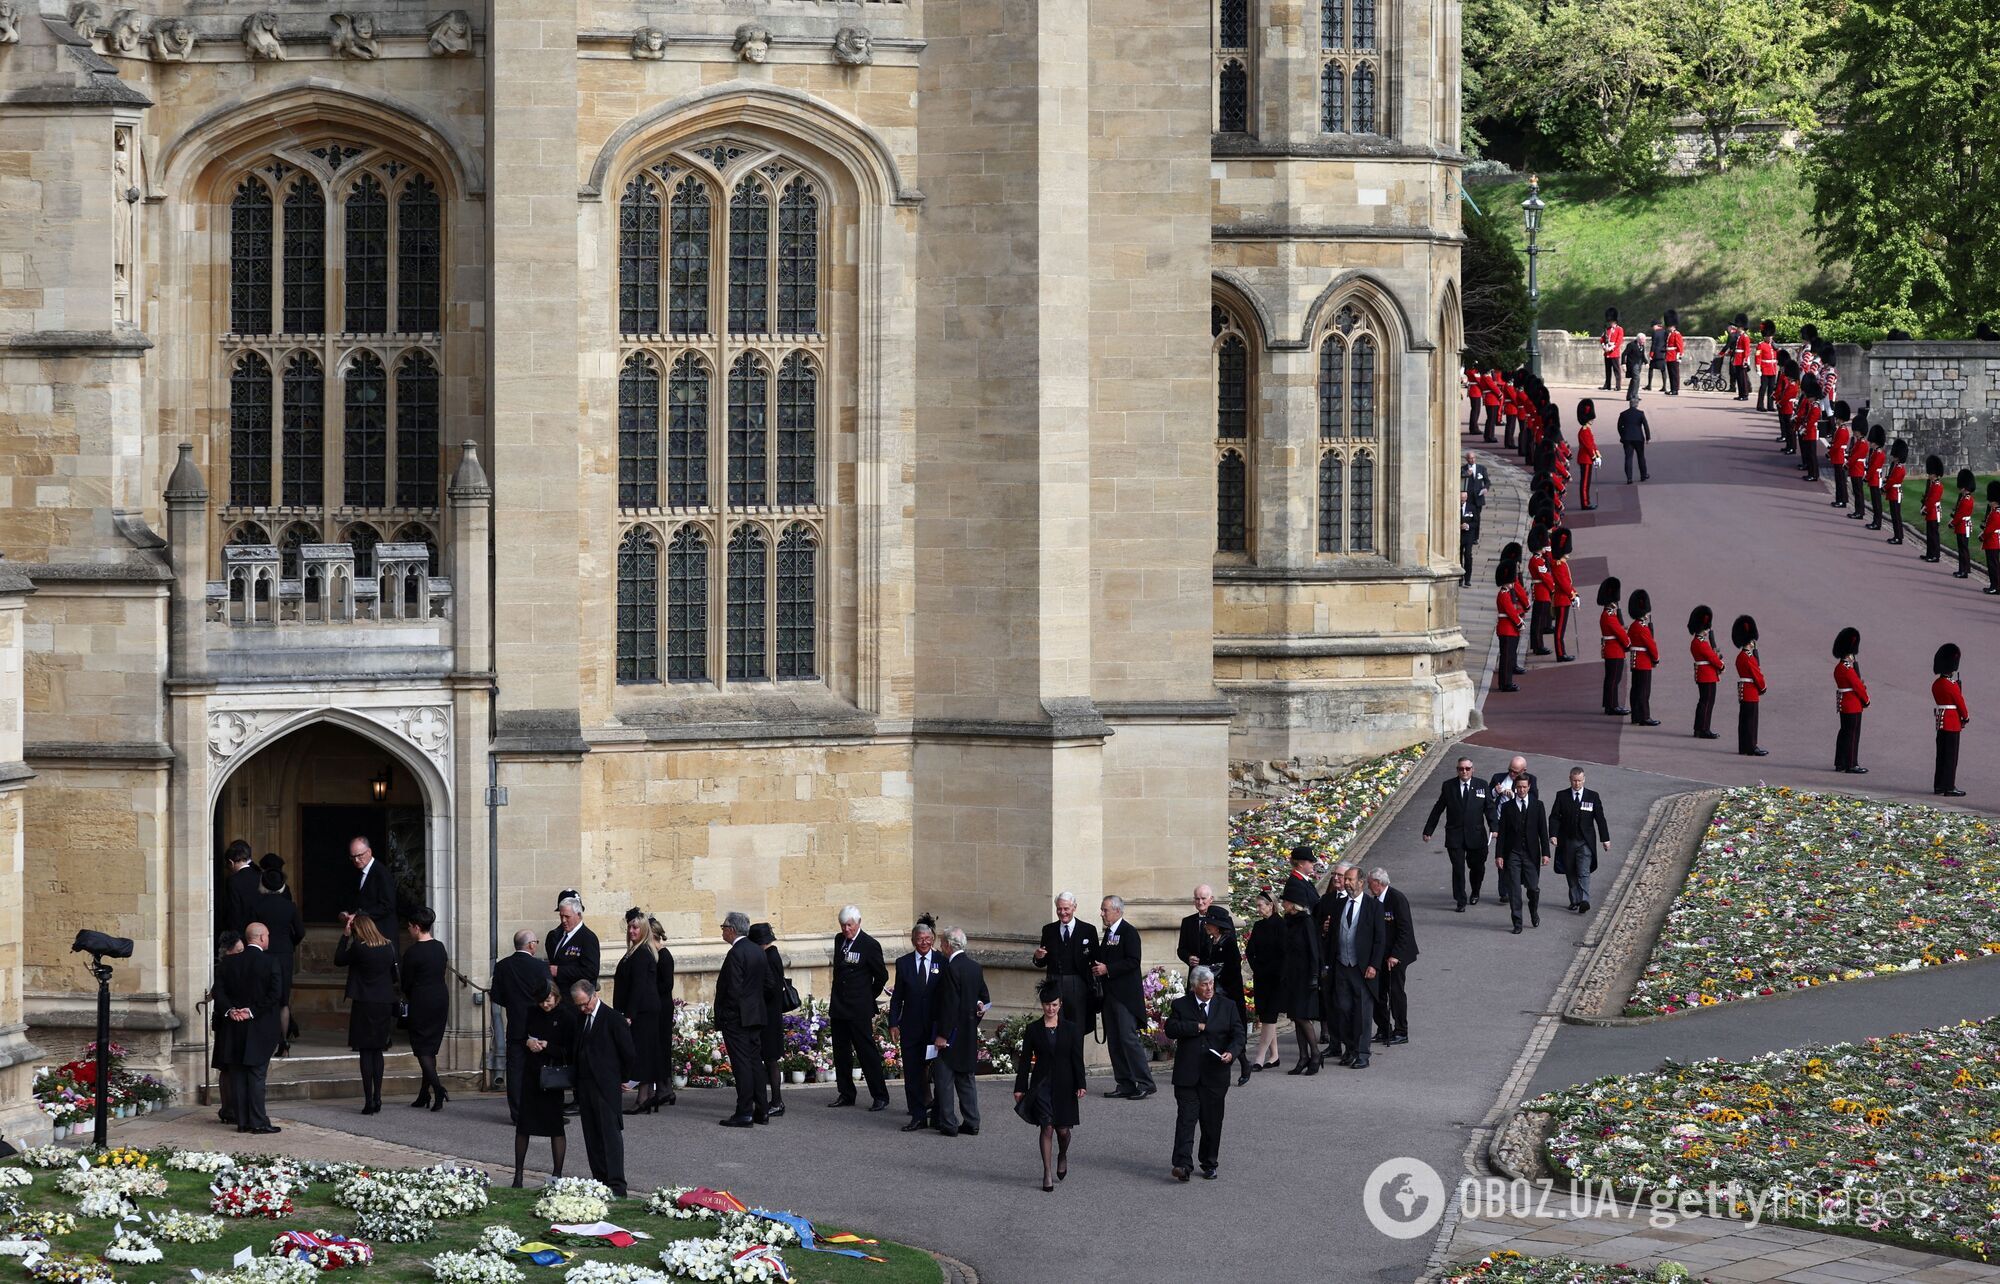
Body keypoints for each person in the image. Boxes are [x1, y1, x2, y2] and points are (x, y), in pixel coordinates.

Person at [1165, 965, 1243, 1182]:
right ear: (1194, 987)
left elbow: (1238, 1035)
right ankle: (1182, 1164)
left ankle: (1209, 1162)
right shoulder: (1180, 1005)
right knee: (1186, 1120)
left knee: (1211, 1122)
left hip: (1215, 1074)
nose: (1209, 988)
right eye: (1204, 984)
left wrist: (1231, 1053)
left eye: (1211, 984)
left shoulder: (1227, 1006)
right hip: (1187, 1074)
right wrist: (1196, 1027)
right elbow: (1171, 1029)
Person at [1013, 981, 1086, 1192]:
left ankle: (1062, 1155)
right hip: (1042, 1084)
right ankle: (1046, 1172)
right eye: (1046, 1004)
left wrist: (1081, 1083)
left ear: (1060, 1004)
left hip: (1065, 1084)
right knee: (1047, 1126)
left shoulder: (1071, 1029)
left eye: (1054, 1004)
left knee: (1062, 1131)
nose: (1050, 1008)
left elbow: (1076, 1058)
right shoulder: (1033, 1029)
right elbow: (1025, 1061)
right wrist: (1020, 1088)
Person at [568, 979, 635, 1197]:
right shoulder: (580, 1019)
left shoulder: (613, 1019)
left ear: (593, 996)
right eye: (578, 1005)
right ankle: (599, 1181)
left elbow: (628, 1052)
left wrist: (624, 1078)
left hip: (606, 1085)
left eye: (584, 1003)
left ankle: (617, 1185)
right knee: (592, 1136)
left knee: (609, 1136)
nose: (582, 1008)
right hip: (585, 1084)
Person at [218, 922, 284, 1135]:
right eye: (267, 935)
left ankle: (243, 1121)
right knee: (256, 1075)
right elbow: (275, 995)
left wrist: (231, 1011)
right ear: (262, 937)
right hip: (260, 1027)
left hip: (234, 1025)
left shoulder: (229, 963)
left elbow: (218, 992)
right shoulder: (271, 961)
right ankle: (257, 1121)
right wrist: (251, 1011)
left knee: (237, 1074)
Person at [827, 905, 890, 1111]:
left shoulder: (869, 944)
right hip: (839, 1006)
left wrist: (867, 996)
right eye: (843, 925)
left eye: (850, 925)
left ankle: (879, 1095)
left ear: (859, 923)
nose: (846, 929)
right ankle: (846, 1092)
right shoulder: (839, 940)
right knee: (841, 1052)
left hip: (859, 1008)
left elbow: (881, 976)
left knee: (866, 1052)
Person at [334, 913, 397, 1115]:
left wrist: (344, 936)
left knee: (365, 1052)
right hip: (384, 1002)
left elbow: (339, 960)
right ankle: (378, 1097)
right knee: (378, 1051)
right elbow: (394, 975)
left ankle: (369, 1100)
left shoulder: (359, 948)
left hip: (364, 1002)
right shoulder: (388, 946)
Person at [514, 981, 575, 1187]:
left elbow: (569, 1049)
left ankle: (557, 1174)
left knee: (555, 1127)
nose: (545, 1005)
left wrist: (548, 1046)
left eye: (548, 1000)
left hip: (552, 1075)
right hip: (532, 1073)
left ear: (556, 996)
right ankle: (518, 1174)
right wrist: (528, 1042)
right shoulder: (533, 1012)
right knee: (524, 1126)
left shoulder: (566, 1015)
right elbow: (519, 1036)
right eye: (541, 1002)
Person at [1095, 895, 1154, 1101]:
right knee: (1114, 1041)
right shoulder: (1109, 933)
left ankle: (1145, 1082)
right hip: (1109, 995)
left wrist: (1107, 969)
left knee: (1129, 1040)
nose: (1102, 913)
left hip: (1125, 997)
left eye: (1105, 910)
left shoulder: (1128, 932)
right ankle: (1125, 1082)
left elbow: (1133, 961)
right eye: (1102, 910)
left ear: (1117, 910)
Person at [713, 911, 770, 1128]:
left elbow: (733, 989)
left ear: (732, 929)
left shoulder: (736, 953)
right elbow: (768, 984)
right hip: (755, 1015)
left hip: (737, 1018)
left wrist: (727, 1015)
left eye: (724, 927)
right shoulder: (757, 951)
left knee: (742, 1064)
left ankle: (745, 1111)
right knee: (754, 1062)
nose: (723, 930)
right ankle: (761, 1109)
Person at [930, 925, 987, 1136]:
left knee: (944, 1079)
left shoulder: (951, 969)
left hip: (951, 1034)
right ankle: (972, 1121)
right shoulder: (975, 967)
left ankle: (948, 1123)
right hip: (969, 1032)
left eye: (942, 944)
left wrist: (942, 1034)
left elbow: (949, 1004)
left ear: (947, 946)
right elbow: (985, 999)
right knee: (966, 1078)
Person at [887, 919, 943, 1131]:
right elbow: (897, 997)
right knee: (912, 1073)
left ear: (933, 940)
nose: (924, 942)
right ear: (913, 941)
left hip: (935, 1028)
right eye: (920, 939)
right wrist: (893, 1023)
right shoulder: (904, 963)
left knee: (938, 1073)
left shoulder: (942, 961)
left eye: (928, 939)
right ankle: (918, 1115)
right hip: (910, 1028)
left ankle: (938, 1114)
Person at [1327, 866, 1383, 1069]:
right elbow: (1333, 935)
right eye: (1346, 880)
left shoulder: (1373, 907)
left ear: (1361, 882)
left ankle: (1362, 1053)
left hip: (1362, 968)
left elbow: (1379, 939)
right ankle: (1349, 1049)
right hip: (1342, 965)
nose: (1347, 883)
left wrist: (1374, 965)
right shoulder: (1339, 904)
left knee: (1362, 1012)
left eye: (1350, 879)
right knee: (1343, 1009)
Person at [491, 930, 546, 1127]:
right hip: (537, 1025)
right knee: (538, 1068)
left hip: (515, 1023)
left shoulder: (503, 966)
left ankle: (518, 1113)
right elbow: (548, 995)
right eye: (536, 942)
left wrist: (514, 1005)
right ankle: (540, 1111)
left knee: (515, 1070)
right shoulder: (540, 966)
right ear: (531, 945)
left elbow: (496, 996)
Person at [614, 907, 665, 1115]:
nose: (631, 931)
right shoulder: (634, 952)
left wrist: (629, 1015)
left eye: (635, 928)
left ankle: (644, 1097)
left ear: (643, 930)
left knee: (642, 1053)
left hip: (643, 1012)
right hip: (640, 1010)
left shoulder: (642, 954)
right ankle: (644, 1096)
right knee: (642, 1052)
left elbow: (638, 987)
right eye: (629, 927)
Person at [1423, 755, 1491, 911]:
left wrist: (1494, 828)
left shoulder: (1482, 785)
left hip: (1476, 835)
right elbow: (1438, 808)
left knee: (1477, 867)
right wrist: (1428, 830)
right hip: (1455, 836)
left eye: (1467, 769)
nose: (1464, 772)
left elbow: (1489, 808)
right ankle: (1460, 900)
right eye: (1461, 769)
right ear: (1457, 770)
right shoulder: (1449, 786)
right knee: (1458, 868)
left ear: (1472, 770)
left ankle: (1475, 891)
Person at [251, 859, 303, 1056]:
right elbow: (300, 931)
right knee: (283, 1000)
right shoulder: (290, 907)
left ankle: (264, 1040)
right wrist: (289, 943)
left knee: (263, 997)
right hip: (284, 954)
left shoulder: (257, 905)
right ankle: (283, 1041)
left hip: (262, 953)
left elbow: (250, 929)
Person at [401, 905, 450, 1111]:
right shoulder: (439, 947)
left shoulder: (413, 952)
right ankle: (424, 1094)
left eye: (410, 927)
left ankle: (438, 1089)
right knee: (429, 1050)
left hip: (422, 1000)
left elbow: (406, 983)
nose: (408, 930)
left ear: (417, 927)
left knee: (422, 1049)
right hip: (440, 998)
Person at [1492, 773, 1550, 934]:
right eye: (1519, 787)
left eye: (1524, 787)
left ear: (1529, 787)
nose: (1522, 790)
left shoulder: (1538, 806)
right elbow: (1502, 833)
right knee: (1514, 890)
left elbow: (1542, 832)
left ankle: (1533, 911)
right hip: (1513, 853)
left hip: (1531, 854)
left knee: (1533, 888)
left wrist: (1546, 853)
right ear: (1515, 788)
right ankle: (1517, 923)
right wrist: (1499, 855)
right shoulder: (1507, 807)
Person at [1548, 768, 1610, 914]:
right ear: (1570, 779)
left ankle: (1584, 900)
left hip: (1585, 842)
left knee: (1583, 871)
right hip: (1567, 841)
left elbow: (1600, 819)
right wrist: (1553, 834)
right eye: (1575, 780)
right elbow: (1555, 817)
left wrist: (1605, 839)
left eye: (1580, 780)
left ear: (1584, 779)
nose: (1577, 783)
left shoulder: (1592, 796)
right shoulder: (1562, 796)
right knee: (1570, 871)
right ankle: (1575, 900)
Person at [1366, 868, 1417, 1046]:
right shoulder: (1376, 900)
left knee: (1395, 992)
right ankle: (1383, 1028)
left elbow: (1405, 930)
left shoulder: (1396, 899)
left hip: (1397, 955)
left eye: (1369, 883)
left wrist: (1395, 955)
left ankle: (1401, 1030)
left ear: (1378, 883)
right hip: (1381, 955)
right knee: (1378, 993)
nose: (1368, 886)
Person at [1030, 893, 1097, 1026]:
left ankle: (1076, 1048)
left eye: (1066, 909)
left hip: (1078, 984)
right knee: (1055, 1023)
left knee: (1077, 1025)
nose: (1062, 912)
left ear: (1074, 908)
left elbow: (1096, 959)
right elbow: (1042, 961)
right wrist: (1038, 957)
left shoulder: (1088, 930)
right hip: (1055, 982)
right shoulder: (1048, 930)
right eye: (1059, 909)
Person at [746, 922, 789, 1118]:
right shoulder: (772, 955)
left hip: (768, 1016)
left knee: (770, 1059)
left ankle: (776, 1101)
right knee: (769, 1059)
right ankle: (770, 1099)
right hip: (770, 1014)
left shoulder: (769, 956)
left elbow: (771, 987)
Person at [1278, 883, 1322, 1073]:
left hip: (1305, 976)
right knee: (1295, 1016)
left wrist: (1315, 975)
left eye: (1286, 901)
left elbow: (1314, 950)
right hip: (1292, 976)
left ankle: (1315, 1054)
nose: (1283, 904)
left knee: (1303, 1017)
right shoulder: (1289, 920)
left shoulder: (1306, 921)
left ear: (1294, 903)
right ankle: (1303, 1056)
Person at [1485, 756, 1539, 908]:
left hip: (1520, 826)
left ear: (1524, 771)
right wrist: (1495, 792)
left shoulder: (1531, 780)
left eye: (1515, 772)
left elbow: (1534, 800)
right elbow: (1487, 799)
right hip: (1502, 824)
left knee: (1519, 859)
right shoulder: (1498, 777)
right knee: (1502, 856)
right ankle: (1504, 892)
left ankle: (1518, 886)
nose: (1512, 774)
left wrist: (1514, 795)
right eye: (1510, 770)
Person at [1242, 892, 1284, 1073]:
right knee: (1265, 1016)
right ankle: (1274, 1055)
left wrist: (1271, 970)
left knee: (1270, 1017)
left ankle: (1259, 1056)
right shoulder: (1259, 926)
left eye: (1260, 905)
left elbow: (1283, 953)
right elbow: (1250, 951)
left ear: (1270, 906)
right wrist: (1257, 967)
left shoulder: (1281, 925)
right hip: (1261, 975)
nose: (1258, 909)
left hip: (1276, 977)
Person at [211, 932, 244, 1126]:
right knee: (226, 1065)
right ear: (229, 951)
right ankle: (228, 1108)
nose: (242, 953)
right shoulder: (222, 968)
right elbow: (218, 992)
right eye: (239, 950)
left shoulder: (241, 967)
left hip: (238, 1020)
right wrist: (231, 1010)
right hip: (226, 1021)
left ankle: (235, 1108)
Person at [1932, 643, 1970, 797]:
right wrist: (1965, 717)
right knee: (1951, 757)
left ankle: (1939, 785)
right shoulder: (1951, 686)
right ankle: (1949, 786)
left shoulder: (1936, 684)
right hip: (1952, 722)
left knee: (1941, 755)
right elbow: (1960, 703)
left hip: (1941, 721)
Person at [545, 893, 600, 996]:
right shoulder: (558, 935)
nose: (563, 920)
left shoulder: (588, 938)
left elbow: (591, 971)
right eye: (561, 916)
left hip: (576, 998)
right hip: (559, 997)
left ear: (578, 915)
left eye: (567, 916)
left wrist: (559, 971)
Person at [647, 915, 676, 1108]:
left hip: (662, 1007)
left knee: (662, 1047)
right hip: (658, 1005)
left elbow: (667, 984)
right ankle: (664, 1088)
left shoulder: (664, 956)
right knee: (657, 1047)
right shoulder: (654, 955)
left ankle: (665, 1089)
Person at [341, 836, 397, 931]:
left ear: (369, 852)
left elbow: (387, 905)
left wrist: (359, 915)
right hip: (365, 932)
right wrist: (348, 913)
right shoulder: (358, 872)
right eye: (353, 857)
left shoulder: (382, 873)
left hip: (381, 934)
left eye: (359, 855)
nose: (356, 860)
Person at [1833, 626, 1869, 774]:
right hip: (1852, 705)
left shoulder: (1840, 667)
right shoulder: (1847, 668)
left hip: (1845, 704)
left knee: (1844, 733)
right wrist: (1866, 700)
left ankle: (1840, 762)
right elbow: (1858, 686)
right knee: (1853, 735)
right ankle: (1851, 763)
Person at [1625, 588, 1661, 726]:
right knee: (1644, 691)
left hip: (1635, 662)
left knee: (1636, 690)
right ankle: (1645, 716)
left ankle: (1636, 715)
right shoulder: (1642, 627)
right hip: (1644, 662)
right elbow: (1651, 645)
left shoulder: (1634, 626)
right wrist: (1656, 659)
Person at [1689, 605, 1725, 740]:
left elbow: (1710, 655)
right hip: (1707, 676)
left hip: (1703, 674)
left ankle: (1699, 728)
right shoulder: (1702, 643)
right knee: (1708, 702)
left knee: (1703, 701)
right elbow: (1712, 658)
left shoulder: (1696, 642)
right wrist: (1721, 666)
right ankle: (1704, 729)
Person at [1597, 576, 1630, 717]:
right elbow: (1619, 633)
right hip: (1614, 650)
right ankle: (1612, 706)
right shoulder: (1609, 615)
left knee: (1612, 679)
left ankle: (1610, 704)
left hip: (1613, 649)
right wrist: (1628, 643)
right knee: (1614, 679)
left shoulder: (1609, 613)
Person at [1494, 559, 1524, 694]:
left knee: (1509, 656)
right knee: (1506, 658)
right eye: (1511, 581)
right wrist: (1519, 623)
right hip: (1507, 629)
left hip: (1509, 629)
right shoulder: (1503, 595)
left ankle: (1505, 682)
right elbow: (1510, 611)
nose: (1513, 583)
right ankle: (1506, 683)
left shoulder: (1505, 593)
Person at [222, 840, 261, 937]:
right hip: (259, 930)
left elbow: (234, 910)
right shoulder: (259, 876)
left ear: (231, 862)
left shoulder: (233, 881)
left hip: (242, 932)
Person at [1526, 529, 1555, 657]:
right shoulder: (1537, 560)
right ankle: (1538, 646)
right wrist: (1553, 587)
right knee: (1539, 621)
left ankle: (1537, 644)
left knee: (1539, 620)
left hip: (1541, 590)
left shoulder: (1538, 559)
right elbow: (1545, 577)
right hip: (1541, 591)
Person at [1175, 885, 1218, 970]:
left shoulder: (1223, 921)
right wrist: (1189, 958)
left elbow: (1231, 950)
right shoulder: (1187, 922)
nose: (1200, 902)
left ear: (1211, 899)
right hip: (1195, 974)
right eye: (1197, 899)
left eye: (1203, 898)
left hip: (1217, 975)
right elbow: (1181, 949)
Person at [1615, 400, 1651, 484]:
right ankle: (1643, 475)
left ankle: (1629, 478)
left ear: (1630, 404)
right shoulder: (1640, 413)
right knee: (1641, 457)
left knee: (1628, 458)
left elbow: (1619, 426)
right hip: (1638, 438)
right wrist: (1648, 437)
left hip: (1627, 438)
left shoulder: (1623, 414)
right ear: (1637, 404)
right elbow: (1646, 425)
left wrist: (1622, 435)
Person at [1827, 403, 1853, 508]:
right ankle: (1842, 499)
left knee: (1840, 481)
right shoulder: (1841, 429)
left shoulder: (1842, 430)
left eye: (1837, 418)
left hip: (1839, 457)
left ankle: (1841, 500)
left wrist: (1829, 453)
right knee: (1840, 480)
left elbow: (1837, 445)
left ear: (1840, 419)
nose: (1835, 419)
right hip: (1838, 456)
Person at [1953, 468, 1978, 578]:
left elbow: (1959, 515)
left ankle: (1963, 571)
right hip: (1964, 525)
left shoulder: (1965, 500)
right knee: (1964, 549)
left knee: (1962, 549)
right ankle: (1966, 569)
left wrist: (1952, 523)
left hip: (1962, 526)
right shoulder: (1967, 498)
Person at [1921, 456, 1946, 563]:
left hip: (1934, 512)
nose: (1929, 475)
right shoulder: (1932, 484)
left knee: (1934, 535)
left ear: (1934, 474)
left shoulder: (1937, 485)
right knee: (1930, 534)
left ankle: (1935, 555)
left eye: (1930, 473)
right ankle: (1929, 553)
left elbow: (1932, 500)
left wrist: (1925, 508)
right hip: (1931, 511)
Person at [1883, 440, 1909, 544]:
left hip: (1895, 493)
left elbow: (1893, 481)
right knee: (1895, 516)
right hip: (1893, 492)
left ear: (1898, 456)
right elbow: (1891, 478)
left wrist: (1884, 488)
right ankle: (1898, 535)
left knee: (1896, 516)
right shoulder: (1896, 465)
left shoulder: (1899, 468)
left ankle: (1898, 537)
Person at [1576, 400, 1600, 510]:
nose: (1593, 420)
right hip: (1585, 459)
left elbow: (1592, 443)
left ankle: (1587, 501)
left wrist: (1598, 453)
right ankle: (1585, 503)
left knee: (1587, 482)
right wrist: (1594, 457)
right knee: (1585, 483)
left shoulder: (1587, 430)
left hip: (1588, 459)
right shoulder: (1584, 431)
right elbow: (1588, 446)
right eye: (1591, 418)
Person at [1754, 324, 1778, 411]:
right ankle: (1760, 405)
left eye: (1771, 336)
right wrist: (1758, 369)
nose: (1770, 338)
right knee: (1763, 388)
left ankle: (1770, 406)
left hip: (1772, 369)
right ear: (1765, 336)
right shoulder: (1761, 345)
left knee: (1771, 388)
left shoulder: (1773, 345)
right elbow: (1758, 357)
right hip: (1764, 369)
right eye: (1768, 336)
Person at [1728, 313, 1752, 400]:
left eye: (1738, 327)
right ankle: (1741, 394)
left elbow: (1746, 350)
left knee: (1743, 378)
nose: (1736, 328)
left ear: (1741, 327)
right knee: (1739, 378)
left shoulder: (1745, 337)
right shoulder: (1740, 336)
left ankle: (1745, 394)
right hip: (1738, 359)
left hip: (1742, 359)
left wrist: (1745, 360)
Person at [1600, 307, 1624, 390]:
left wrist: (1611, 348)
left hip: (1614, 353)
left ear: (1615, 321)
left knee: (1616, 371)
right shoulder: (1607, 329)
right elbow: (1602, 339)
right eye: (1609, 321)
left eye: (1611, 321)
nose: (1610, 323)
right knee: (1608, 370)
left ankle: (1618, 386)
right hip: (1607, 353)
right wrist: (1603, 346)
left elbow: (1619, 341)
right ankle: (1607, 385)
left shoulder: (1619, 329)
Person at [1983, 480, 2000, 595]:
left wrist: (1982, 536)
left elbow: (1989, 529)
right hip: (1995, 541)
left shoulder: (1995, 514)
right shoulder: (1995, 512)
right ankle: (1995, 585)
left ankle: (1995, 586)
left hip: (1992, 542)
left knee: (1993, 566)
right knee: (1994, 564)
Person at [1662, 310, 1684, 396]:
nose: (1668, 327)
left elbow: (1680, 346)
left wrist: (1679, 356)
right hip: (1669, 356)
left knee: (1675, 374)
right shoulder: (1670, 334)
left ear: (1673, 326)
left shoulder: (1677, 334)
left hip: (1674, 355)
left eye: (1670, 326)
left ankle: (1675, 390)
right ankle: (1672, 389)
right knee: (1671, 374)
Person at [1458, 489, 1477, 587]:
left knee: (1468, 556)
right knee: (1458, 557)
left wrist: (1468, 525)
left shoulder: (1472, 508)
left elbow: (1476, 522)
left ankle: (1467, 579)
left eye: (1464, 498)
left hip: (1468, 536)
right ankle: (1460, 578)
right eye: (1461, 498)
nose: (1462, 500)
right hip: (1459, 535)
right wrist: (1459, 526)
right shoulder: (1456, 507)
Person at [1621, 337, 1645, 402]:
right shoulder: (1631, 345)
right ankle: (1634, 395)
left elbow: (1642, 355)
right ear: (1638, 339)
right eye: (1642, 340)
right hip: (1632, 364)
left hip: (1639, 364)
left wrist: (1646, 362)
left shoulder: (1642, 345)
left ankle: (1629, 396)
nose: (1644, 341)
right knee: (1637, 379)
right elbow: (1624, 354)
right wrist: (1623, 364)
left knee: (1634, 380)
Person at [1645, 317, 1666, 389]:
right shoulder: (1665, 332)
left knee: (1651, 369)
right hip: (1663, 353)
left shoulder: (1655, 332)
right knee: (1663, 370)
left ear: (1656, 325)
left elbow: (1653, 344)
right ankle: (1664, 386)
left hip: (1656, 353)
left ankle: (1649, 385)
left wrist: (1651, 354)